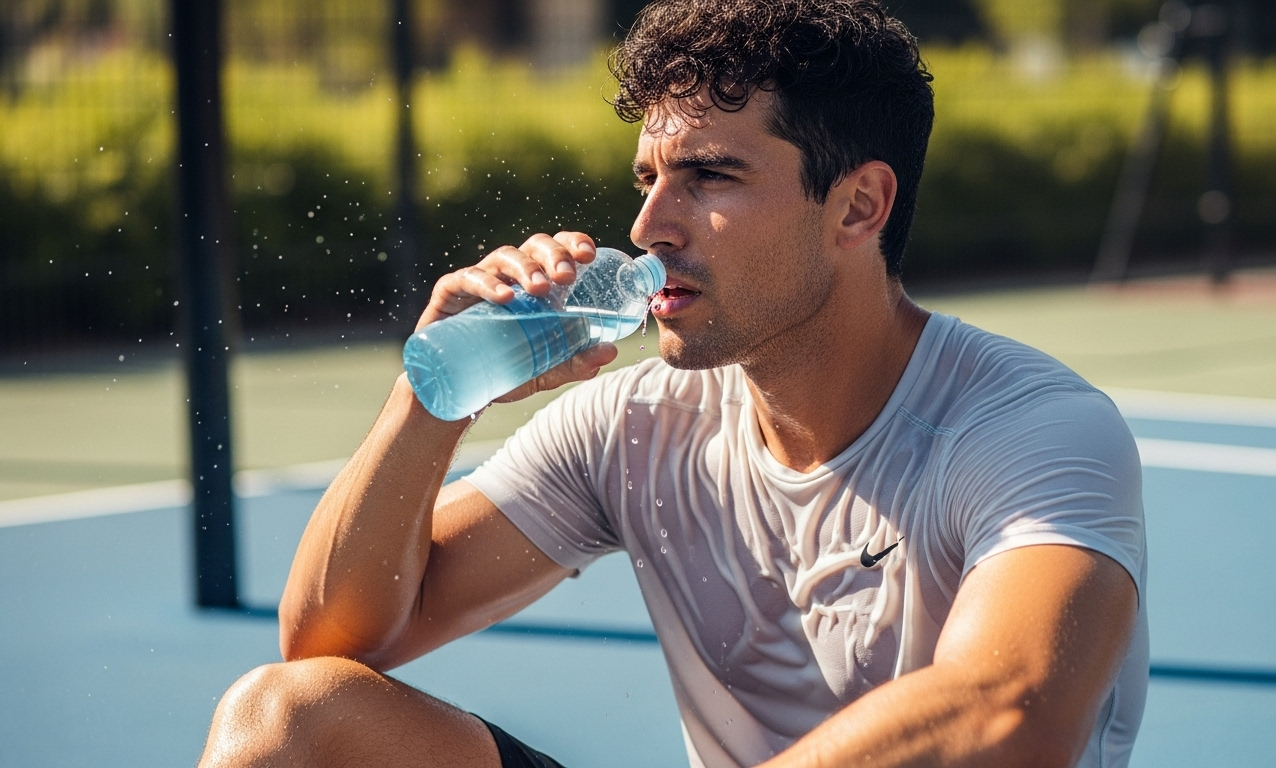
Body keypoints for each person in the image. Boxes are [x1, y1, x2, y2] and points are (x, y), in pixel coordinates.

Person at [199, 0, 1147, 766]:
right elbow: (335, 638)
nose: (651, 224)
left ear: (858, 205)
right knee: (287, 719)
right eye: (649, 177)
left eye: (709, 176)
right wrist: (431, 397)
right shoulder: (634, 423)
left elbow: (1011, 713)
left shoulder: (1029, 430)